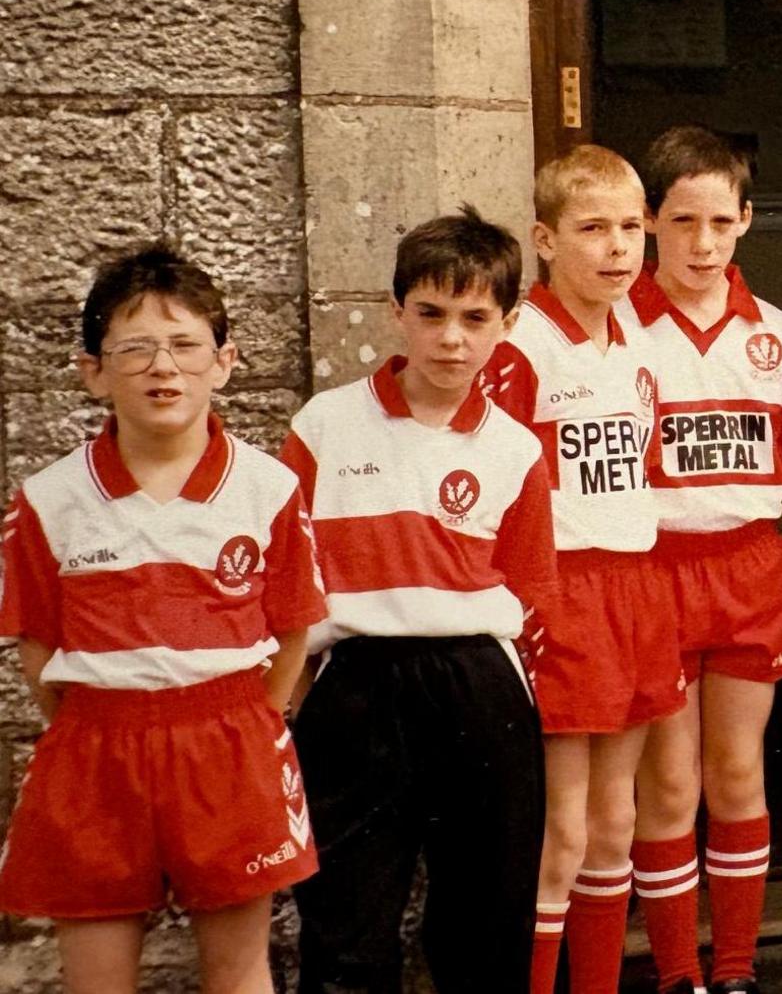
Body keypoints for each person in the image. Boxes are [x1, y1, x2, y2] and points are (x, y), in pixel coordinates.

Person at [0, 245, 324, 993]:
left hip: (229, 745)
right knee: (96, 976)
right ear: (94, 368)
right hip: (96, 752)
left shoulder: (267, 487)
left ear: (225, 360)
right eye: (135, 348)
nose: (162, 367)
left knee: (240, 969)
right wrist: (106, 724)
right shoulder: (49, 498)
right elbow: (38, 649)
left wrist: (239, 724)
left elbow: (292, 634)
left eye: (184, 345)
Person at [284, 209, 558, 993]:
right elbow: (287, 576)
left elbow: (531, 582)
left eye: (475, 318)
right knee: (346, 923)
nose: (451, 339)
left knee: (485, 923)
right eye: (431, 314)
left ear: (507, 323)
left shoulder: (515, 447)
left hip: (478, 686)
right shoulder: (326, 424)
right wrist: (303, 690)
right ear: (395, 310)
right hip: (358, 687)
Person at [479, 145, 675, 994]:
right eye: (593, 228)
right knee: (563, 829)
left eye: (631, 227)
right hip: (563, 586)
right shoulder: (519, 345)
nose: (617, 248)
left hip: (636, 579)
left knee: (617, 820)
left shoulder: (638, 331)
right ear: (546, 239)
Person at [631, 123, 782, 994]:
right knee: (669, 783)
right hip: (654, 570)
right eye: (681, 221)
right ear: (650, 223)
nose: (701, 243)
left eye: (719, 221)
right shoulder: (617, 331)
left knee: (737, 769)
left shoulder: (775, 333)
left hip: (746, 568)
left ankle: (736, 968)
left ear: (746, 219)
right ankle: (676, 971)